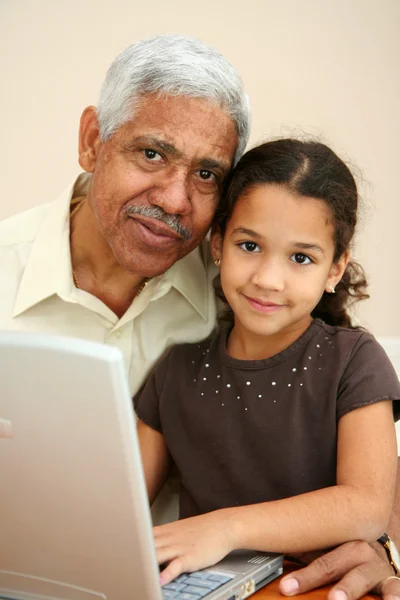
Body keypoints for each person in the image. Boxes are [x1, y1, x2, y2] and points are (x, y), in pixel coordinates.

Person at [0, 33, 399, 599]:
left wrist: (389, 547)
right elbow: (110, 509)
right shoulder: (184, 362)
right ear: (93, 141)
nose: (173, 199)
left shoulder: (276, 316)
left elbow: (368, 492)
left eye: (207, 174)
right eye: (152, 153)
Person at [134, 139, 400, 588]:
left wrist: (226, 527)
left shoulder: (353, 361)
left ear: (335, 269)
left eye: (301, 258)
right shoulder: (176, 370)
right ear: (218, 243)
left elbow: (365, 506)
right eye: (249, 245)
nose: (267, 279)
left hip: (316, 591)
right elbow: (120, 507)